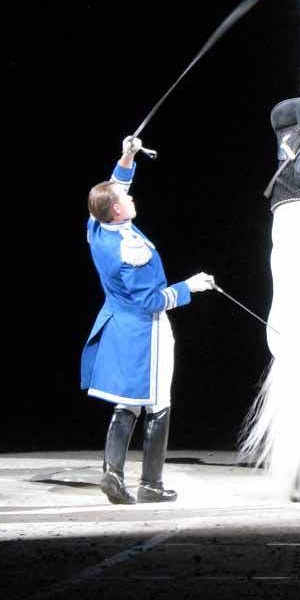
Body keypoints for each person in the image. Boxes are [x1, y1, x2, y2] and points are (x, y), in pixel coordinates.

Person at [81, 134, 215, 505]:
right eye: (127, 199)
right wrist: (193, 286)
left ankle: (113, 473)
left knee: (127, 402)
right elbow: (152, 301)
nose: (131, 196)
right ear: (119, 212)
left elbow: (117, 184)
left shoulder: (98, 227)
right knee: (157, 403)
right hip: (145, 331)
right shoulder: (131, 249)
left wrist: (127, 155)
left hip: (117, 325)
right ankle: (151, 484)